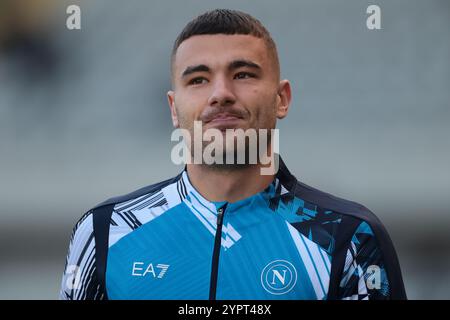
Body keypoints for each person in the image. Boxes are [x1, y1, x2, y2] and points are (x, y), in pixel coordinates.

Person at [59, 9, 406, 300]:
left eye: (242, 74)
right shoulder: (105, 231)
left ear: (281, 98)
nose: (221, 93)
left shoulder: (349, 237)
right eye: (198, 80)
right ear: (174, 109)